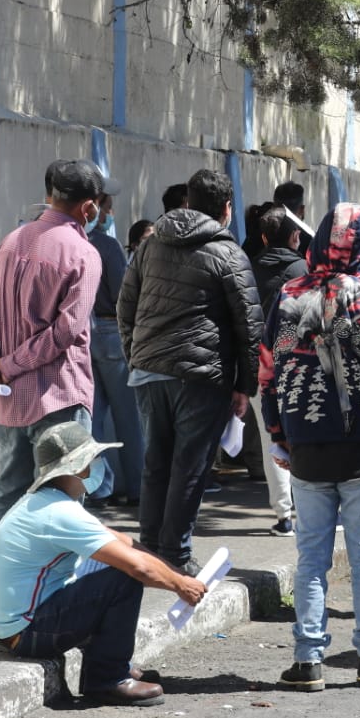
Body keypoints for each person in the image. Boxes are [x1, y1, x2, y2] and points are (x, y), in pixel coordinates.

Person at [260, 202, 360, 692]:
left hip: (306, 450)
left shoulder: (287, 298)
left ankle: (308, 660)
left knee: (311, 556)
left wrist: (281, 436)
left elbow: (269, 375)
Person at [0, 159, 108, 630]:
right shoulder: (84, 254)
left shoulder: (12, 241)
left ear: (50, 193)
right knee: (65, 498)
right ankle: (54, 596)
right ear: (88, 207)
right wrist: (6, 363)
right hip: (58, 394)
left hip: (8, 396)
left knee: (7, 494)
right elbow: (65, 334)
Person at [0, 421, 207, 706]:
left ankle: (108, 662)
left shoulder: (52, 503)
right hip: (26, 633)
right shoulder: (59, 512)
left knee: (108, 566)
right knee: (122, 578)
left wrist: (177, 574)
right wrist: (180, 586)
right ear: (79, 467)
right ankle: (107, 679)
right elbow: (137, 568)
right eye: (94, 459)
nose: (99, 465)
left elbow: (123, 542)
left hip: (23, 625)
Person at [117, 169, 263, 574]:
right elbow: (250, 326)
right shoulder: (228, 252)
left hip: (149, 372)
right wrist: (244, 387)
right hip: (200, 377)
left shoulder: (149, 246)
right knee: (189, 467)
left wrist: (136, 355)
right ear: (227, 209)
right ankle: (176, 556)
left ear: (188, 201)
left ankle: (150, 549)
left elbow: (124, 307)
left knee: (156, 463)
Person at [87, 185, 146, 509]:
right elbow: (125, 297)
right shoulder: (107, 246)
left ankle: (98, 489)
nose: (110, 214)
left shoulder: (74, 242)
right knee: (129, 419)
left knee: (93, 418)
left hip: (84, 333)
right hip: (111, 331)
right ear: (96, 207)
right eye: (107, 208)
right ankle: (137, 487)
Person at [249, 202, 307, 536]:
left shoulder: (247, 268)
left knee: (272, 437)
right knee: (303, 436)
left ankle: (283, 515)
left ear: (264, 237)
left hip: (260, 365)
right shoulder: (303, 270)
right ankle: (311, 509)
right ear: (295, 236)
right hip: (299, 365)